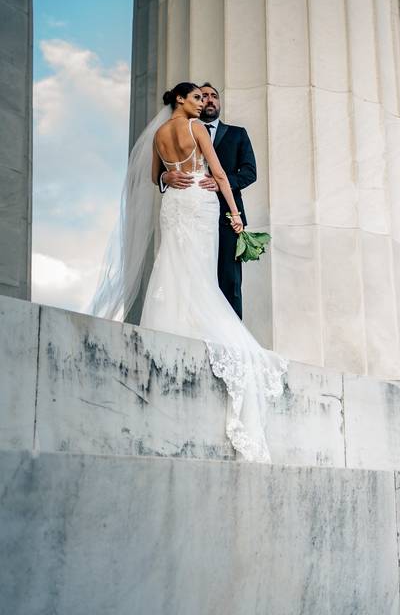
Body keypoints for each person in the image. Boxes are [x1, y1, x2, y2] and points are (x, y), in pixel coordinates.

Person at [90, 82, 285, 463]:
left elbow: (154, 175)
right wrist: (235, 216)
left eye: (205, 97)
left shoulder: (159, 134)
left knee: (173, 264)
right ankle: (211, 330)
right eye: (197, 97)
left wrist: (166, 178)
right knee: (195, 268)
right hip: (199, 200)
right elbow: (221, 176)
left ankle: (178, 326)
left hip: (175, 204)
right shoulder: (195, 128)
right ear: (181, 100)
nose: (202, 103)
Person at [159, 83, 255, 319]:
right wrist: (165, 176)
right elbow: (159, 171)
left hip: (221, 216)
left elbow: (249, 172)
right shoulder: (193, 127)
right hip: (192, 208)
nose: (208, 101)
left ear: (219, 102)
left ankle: (232, 335)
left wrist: (221, 183)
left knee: (228, 280)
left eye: (213, 96)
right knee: (188, 271)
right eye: (202, 97)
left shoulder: (237, 133)